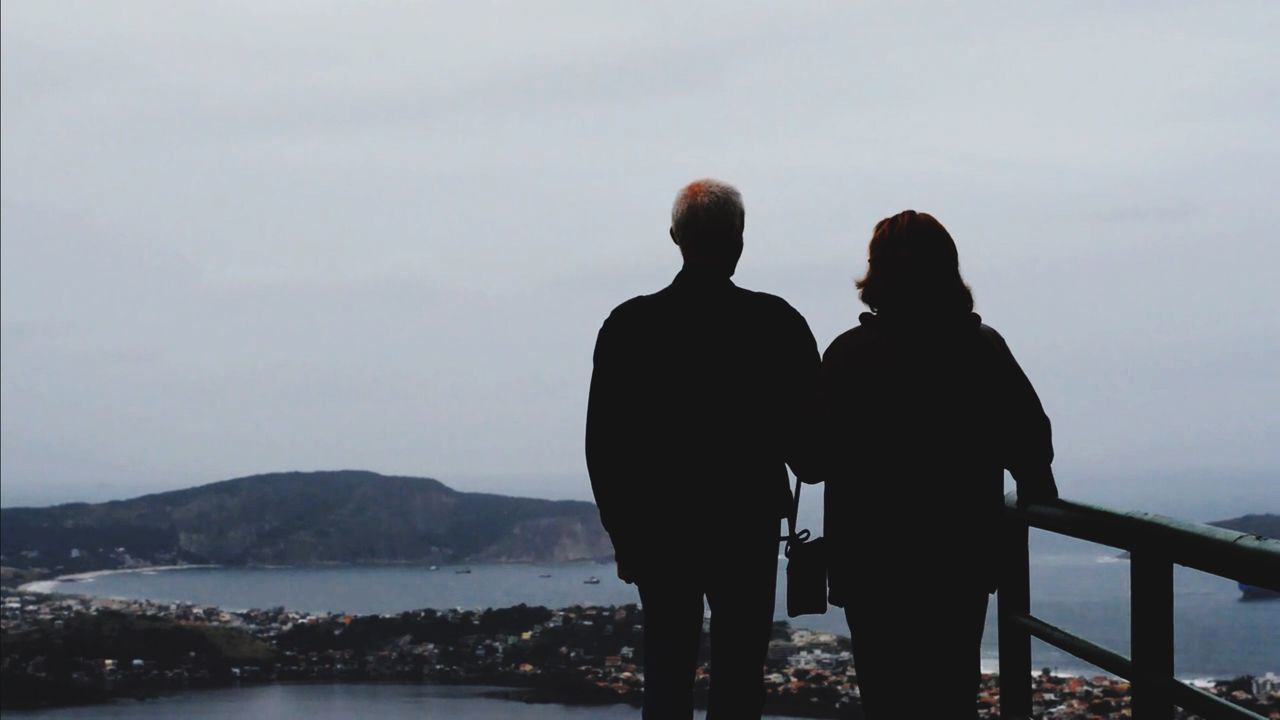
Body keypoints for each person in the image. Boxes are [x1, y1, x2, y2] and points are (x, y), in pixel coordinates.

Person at [585, 179, 820, 719]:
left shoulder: (628, 326)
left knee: (666, 678)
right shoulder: (776, 322)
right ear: (739, 241)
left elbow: (605, 447)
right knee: (739, 679)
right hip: (746, 529)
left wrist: (624, 535)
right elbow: (812, 449)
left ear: (675, 237)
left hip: (660, 533)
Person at [818, 210, 1058, 719]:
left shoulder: (846, 357)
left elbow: (815, 458)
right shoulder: (982, 349)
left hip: (870, 565)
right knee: (951, 697)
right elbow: (1032, 445)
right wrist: (1036, 487)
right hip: (957, 562)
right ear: (948, 270)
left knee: (885, 699)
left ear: (877, 273)